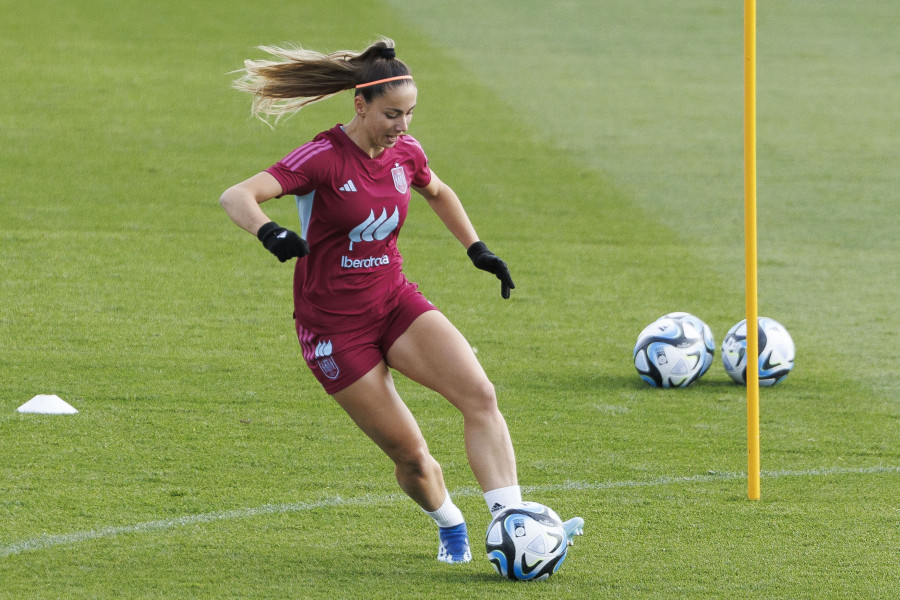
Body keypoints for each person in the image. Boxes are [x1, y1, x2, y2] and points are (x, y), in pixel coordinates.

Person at [220, 38, 582, 564]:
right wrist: (269, 232)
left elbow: (437, 191)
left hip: (394, 304)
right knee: (412, 458)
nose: (403, 126)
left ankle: (513, 521)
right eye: (393, 114)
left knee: (480, 395)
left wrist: (477, 249)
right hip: (334, 332)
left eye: (410, 113)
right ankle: (450, 522)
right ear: (360, 104)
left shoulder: (405, 154)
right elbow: (238, 195)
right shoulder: (322, 157)